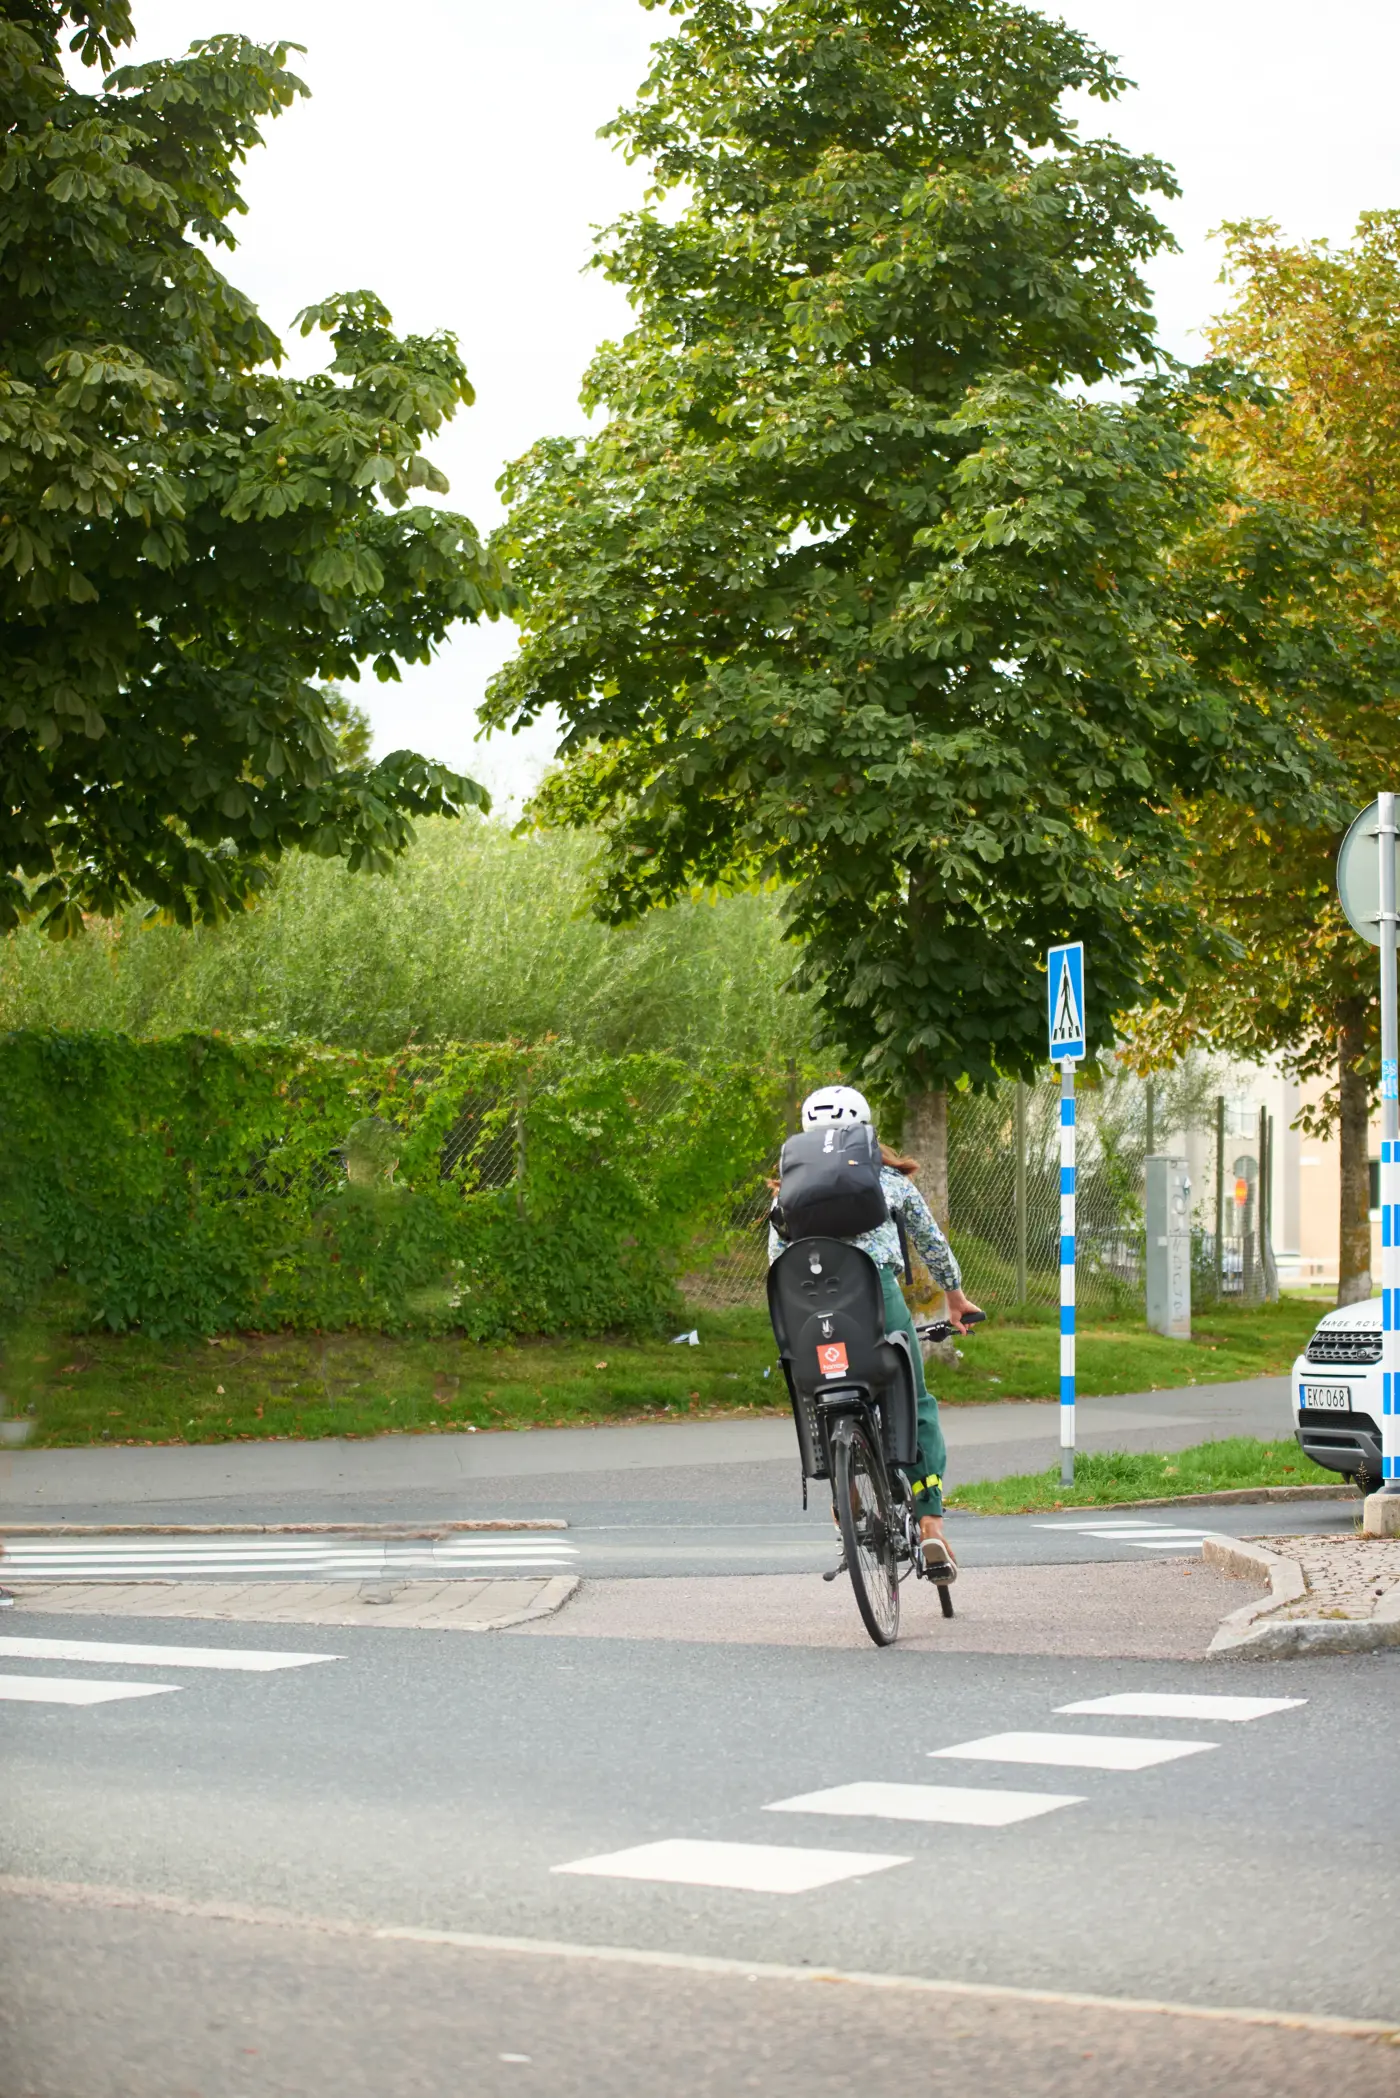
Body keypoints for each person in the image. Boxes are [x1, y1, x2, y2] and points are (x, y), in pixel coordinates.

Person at [768, 1085, 982, 1578]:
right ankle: (931, 1523)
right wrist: (954, 1297)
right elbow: (931, 1241)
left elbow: (776, 1264)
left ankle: (845, 1494)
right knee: (913, 1397)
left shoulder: (787, 1193)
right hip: (876, 1297)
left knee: (822, 1390)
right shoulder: (888, 1180)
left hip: (806, 1306)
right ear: (864, 1130)